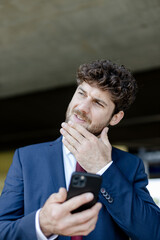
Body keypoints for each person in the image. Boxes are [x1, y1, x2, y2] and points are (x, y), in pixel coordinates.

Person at [0, 60, 160, 240]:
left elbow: (153, 233)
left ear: (115, 118)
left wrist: (104, 168)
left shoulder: (130, 165)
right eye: (81, 93)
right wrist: (42, 224)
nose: (82, 107)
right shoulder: (26, 158)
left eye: (98, 103)